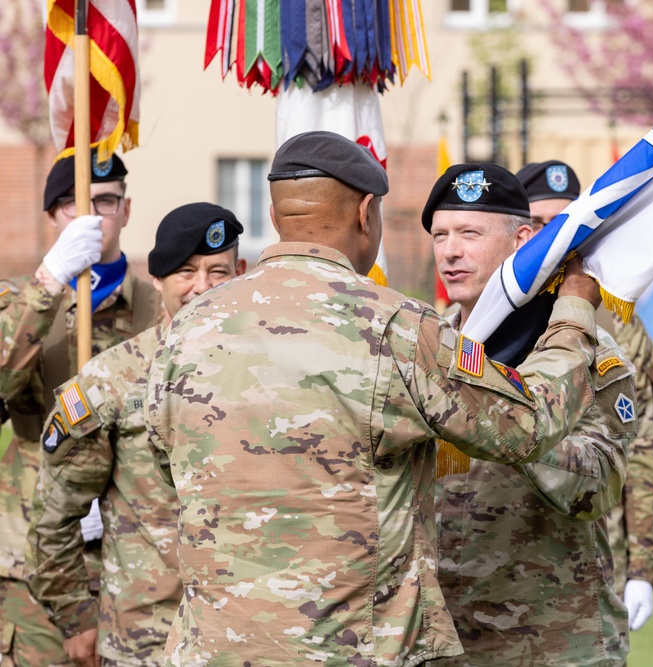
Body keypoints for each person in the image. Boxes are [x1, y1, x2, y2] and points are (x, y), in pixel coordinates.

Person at [144, 131, 605, 666]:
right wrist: (573, 312)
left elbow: (166, 461)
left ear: (274, 216)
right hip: (352, 650)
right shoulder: (395, 327)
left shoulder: (188, 328)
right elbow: (527, 423)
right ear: (367, 213)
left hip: (215, 649)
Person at [427, 162, 636, 665]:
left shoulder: (578, 349)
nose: (451, 251)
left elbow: (598, 486)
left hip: (555, 635)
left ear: (524, 240)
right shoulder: (425, 344)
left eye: (469, 233)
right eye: (440, 235)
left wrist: (509, 421)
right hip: (445, 638)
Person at [25, 204, 246, 667]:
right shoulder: (112, 379)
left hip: (248, 642)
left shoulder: (271, 376)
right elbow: (52, 516)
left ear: (241, 272)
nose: (202, 287)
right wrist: (76, 618)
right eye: (186, 272)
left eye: (217, 270)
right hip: (146, 644)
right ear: (158, 278)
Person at [0, 151, 159, 666]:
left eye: (106, 201)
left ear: (127, 210)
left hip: (135, 557)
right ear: (52, 216)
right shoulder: (18, 305)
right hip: (30, 557)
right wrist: (50, 281)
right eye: (73, 204)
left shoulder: (159, 309)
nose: (92, 216)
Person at [516, 160, 653, 633]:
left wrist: (643, 568)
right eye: (541, 225)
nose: (555, 238)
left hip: (591, 552)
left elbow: (641, 454)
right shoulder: (472, 322)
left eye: (565, 225)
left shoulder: (620, 325)